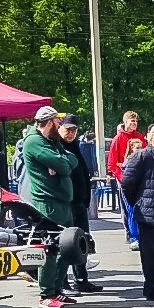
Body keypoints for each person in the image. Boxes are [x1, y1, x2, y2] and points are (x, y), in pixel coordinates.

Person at [22, 106, 80, 308]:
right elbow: (64, 165)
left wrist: (61, 164)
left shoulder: (52, 141)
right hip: (48, 203)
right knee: (50, 247)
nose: (60, 124)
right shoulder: (34, 141)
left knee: (67, 247)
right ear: (49, 122)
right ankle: (46, 293)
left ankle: (57, 289)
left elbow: (72, 159)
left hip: (62, 202)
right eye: (57, 121)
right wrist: (62, 164)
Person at [121, 122, 154, 303]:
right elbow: (127, 184)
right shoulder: (141, 156)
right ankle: (153, 290)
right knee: (152, 255)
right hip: (148, 216)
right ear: (150, 138)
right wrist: (140, 204)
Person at [56, 113, 102, 294]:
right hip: (66, 204)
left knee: (81, 242)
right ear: (60, 129)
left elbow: (82, 174)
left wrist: (85, 200)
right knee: (64, 244)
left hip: (79, 203)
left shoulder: (75, 146)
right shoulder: (57, 147)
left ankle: (81, 279)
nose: (71, 133)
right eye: (68, 130)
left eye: (74, 130)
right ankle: (62, 282)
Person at [107, 111, 146, 250]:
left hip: (139, 178)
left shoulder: (140, 137)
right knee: (127, 207)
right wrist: (123, 178)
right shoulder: (118, 139)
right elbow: (112, 164)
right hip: (123, 177)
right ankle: (130, 234)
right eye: (132, 121)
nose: (134, 123)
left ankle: (142, 234)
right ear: (125, 122)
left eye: (136, 121)